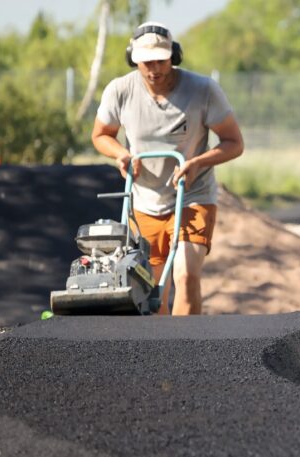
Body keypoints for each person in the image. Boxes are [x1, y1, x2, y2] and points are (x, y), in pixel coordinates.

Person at [92, 22, 244, 316]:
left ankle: (187, 346)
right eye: (147, 62)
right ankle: (160, 353)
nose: (155, 69)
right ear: (133, 59)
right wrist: (121, 155)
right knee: (151, 288)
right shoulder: (120, 91)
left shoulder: (203, 90)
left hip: (191, 194)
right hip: (145, 200)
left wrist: (198, 163)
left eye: (161, 60)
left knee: (186, 274)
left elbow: (234, 142)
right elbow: (100, 135)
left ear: (174, 56)